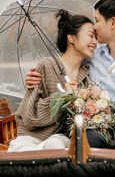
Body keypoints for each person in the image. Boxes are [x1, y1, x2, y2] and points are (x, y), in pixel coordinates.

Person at [26, 0, 115, 153]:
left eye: (97, 20)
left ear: (113, 22)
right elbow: (64, 67)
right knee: (88, 139)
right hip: (95, 122)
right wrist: (36, 79)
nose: (94, 26)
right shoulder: (91, 55)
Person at [7, 9, 98, 152]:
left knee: (56, 145)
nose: (95, 42)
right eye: (91, 36)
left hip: (60, 139)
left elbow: (83, 120)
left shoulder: (87, 75)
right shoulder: (46, 65)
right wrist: (64, 97)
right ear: (71, 38)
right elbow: (29, 116)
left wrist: (82, 100)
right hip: (32, 137)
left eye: (96, 37)